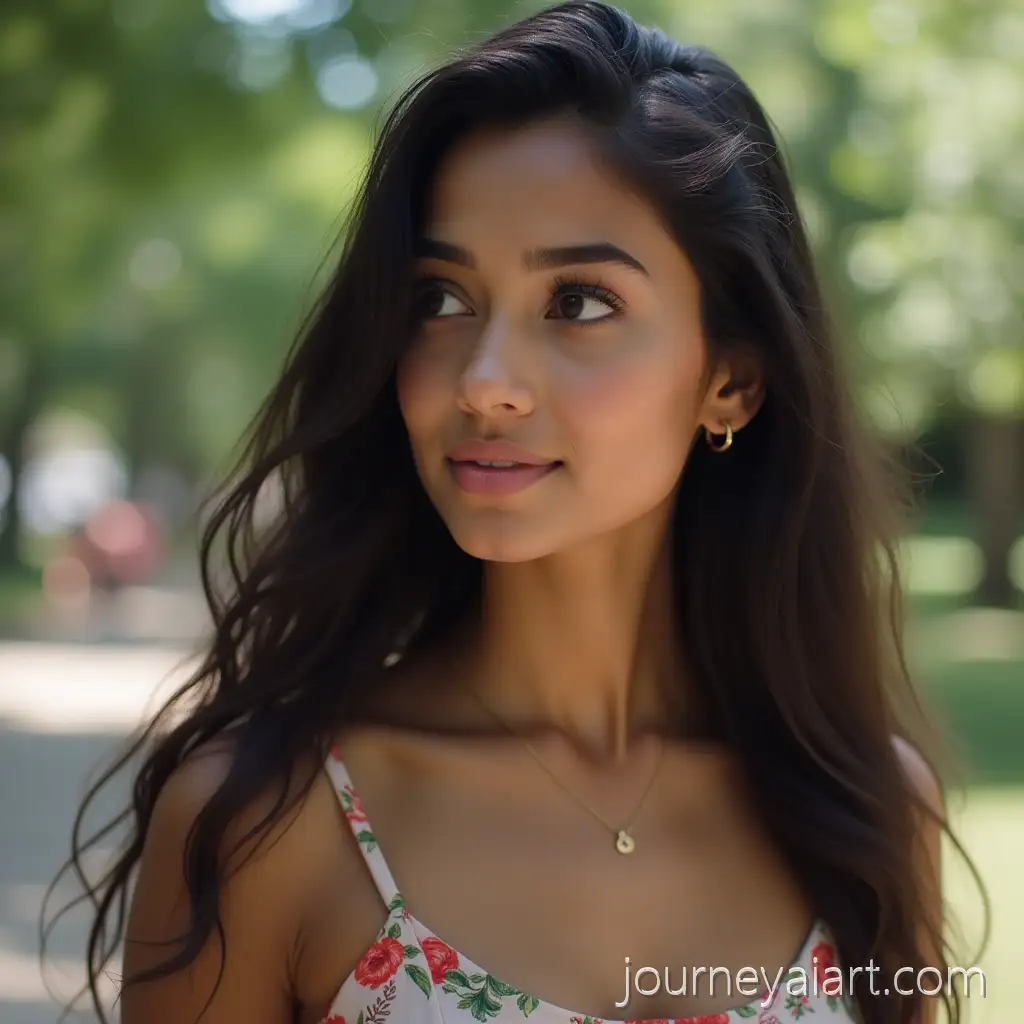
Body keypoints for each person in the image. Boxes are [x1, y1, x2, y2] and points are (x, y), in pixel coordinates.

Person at [47, 3, 983, 1023]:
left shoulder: (866, 814)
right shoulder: (267, 823)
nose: (483, 381)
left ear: (731, 381)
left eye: (578, 302)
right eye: (440, 299)